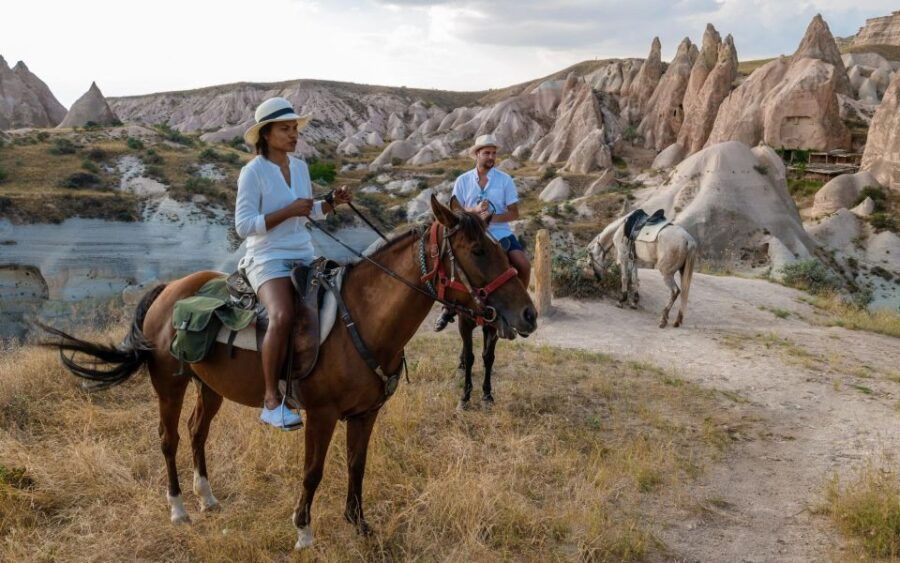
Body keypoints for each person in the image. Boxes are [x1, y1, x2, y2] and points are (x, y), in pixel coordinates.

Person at [235, 97, 352, 429]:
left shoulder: (299, 167)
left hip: (304, 253)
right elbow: (243, 226)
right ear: (266, 134)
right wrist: (289, 211)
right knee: (282, 314)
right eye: (285, 129)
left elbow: (309, 211)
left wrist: (330, 203)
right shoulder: (252, 172)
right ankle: (272, 401)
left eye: (294, 129)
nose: (293, 135)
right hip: (266, 257)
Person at [433, 133, 531, 331]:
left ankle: (519, 307)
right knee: (452, 264)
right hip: (471, 233)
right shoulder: (462, 180)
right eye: (487, 153)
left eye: (494, 153)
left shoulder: (505, 180)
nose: (491, 157)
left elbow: (514, 213)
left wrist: (491, 217)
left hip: (500, 233)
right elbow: (455, 209)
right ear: (476, 154)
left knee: (523, 264)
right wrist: (476, 212)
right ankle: (448, 308)